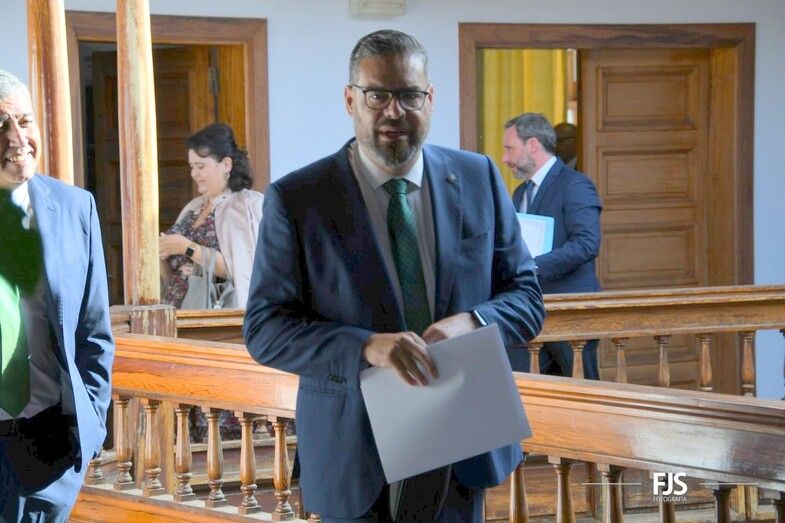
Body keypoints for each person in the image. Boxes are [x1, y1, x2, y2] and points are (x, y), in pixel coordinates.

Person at [244, 30, 545, 522]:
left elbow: (527, 298)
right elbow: (265, 329)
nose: (394, 111)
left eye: (409, 95)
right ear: (350, 100)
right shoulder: (299, 198)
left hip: (463, 443)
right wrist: (367, 346)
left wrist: (470, 322)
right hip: (355, 456)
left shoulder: (478, 177)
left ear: (431, 99)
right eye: (377, 95)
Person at [0, 70, 115, 521]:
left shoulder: (75, 207)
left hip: (48, 448)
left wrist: (90, 429)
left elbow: (94, 332)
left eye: (25, 121)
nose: (17, 138)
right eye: (1, 124)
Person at [504, 113, 602, 378]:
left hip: (572, 312)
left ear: (533, 145)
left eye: (510, 149)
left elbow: (587, 243)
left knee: (582, 392)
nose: (505, 158)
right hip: (531, 312)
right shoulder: (520, 193)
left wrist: (532, 267)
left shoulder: (575, 185)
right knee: (522, 385)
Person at [159, 123, 263, 309]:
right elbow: (173, 274)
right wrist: (161, 254)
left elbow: (241, 271)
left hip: (213, 316)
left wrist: (187, 248)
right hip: (176, 309)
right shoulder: (193, 207)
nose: (194, 173)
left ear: (226, 164)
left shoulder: (245, 205)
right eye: (192, 166)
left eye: (200, 166)